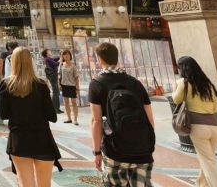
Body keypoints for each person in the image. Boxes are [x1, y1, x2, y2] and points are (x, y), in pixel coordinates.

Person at [88, 42, 155, 187]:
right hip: (142, 151)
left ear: (99, 59)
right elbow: (150, 119)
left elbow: (96, 121)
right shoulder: (135, 83)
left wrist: (97, 152)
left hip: (114, 150)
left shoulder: (97, 84)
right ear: (117, 59)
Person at [0, 47, 60, 187]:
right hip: (42, 139)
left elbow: (4, 114)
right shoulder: (40, 85)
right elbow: (52, 116)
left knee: (26, 184)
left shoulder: (6, 85)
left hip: (19, 139)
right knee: (44, 184)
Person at [172, 56, 217, 187]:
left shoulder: (184, 83)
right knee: (208, 160)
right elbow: (215, 107)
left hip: (199, 128)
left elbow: (176, 100)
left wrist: (175, 87)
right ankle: (201, 184)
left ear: (182, 68)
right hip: (215, 128)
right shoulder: (208, 85)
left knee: (209, 163)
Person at [58, 50, 80, 125]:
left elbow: (76, 78)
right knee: (66, 103)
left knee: (74, 103)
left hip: (72, 86)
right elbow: (59, 76)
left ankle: (75, 119)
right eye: (64, 55)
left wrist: (77, 88)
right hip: (64, 86)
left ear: (70, 56)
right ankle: (69, 118)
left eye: (68, 54)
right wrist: (59, 85)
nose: (66, 56)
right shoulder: (61, 65)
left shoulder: (73, 66)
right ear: (63, 56)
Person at [40, 49, 62, 113]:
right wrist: (60, 60)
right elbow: (55, 64)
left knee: (56, 92)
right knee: (55, 92)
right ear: (46, 53)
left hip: (54, 77)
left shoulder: (50, 58)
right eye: (49, 51)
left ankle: (57, 108)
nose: (50, 51)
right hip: (52, 77)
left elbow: (56, 59)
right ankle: (54, 108)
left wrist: (60, 56)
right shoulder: (47, 59)